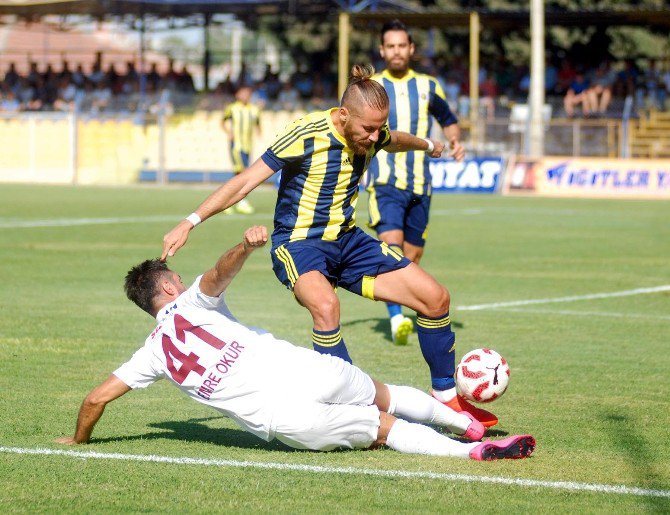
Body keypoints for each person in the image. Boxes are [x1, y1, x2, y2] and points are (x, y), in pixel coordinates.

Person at [162, 64, 498, 428]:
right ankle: (351, 409)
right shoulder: (307, 132)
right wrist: (190, 220)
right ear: (342, 115)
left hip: (348, 240)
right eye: (367, 128)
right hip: (299, 244)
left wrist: (429, 144)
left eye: (378, 127)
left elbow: (394, 139)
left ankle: (446, 397)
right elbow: (245, 181)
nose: (373, 137)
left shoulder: (373, 131)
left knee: (435, 298)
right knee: (326, 307)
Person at [56, 226, 535, 460]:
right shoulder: (191, 302)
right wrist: (245, 247)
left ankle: (468, 454)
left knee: (383, 428)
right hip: (303, 371)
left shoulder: (151, 354)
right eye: (177, 278)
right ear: (167, 289)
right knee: (385, 394)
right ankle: (468, 427)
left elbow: (95, 399)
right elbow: (219, 274)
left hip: (285, 422)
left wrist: (77, 439)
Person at [368, 20, 465, 348]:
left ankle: (401, 307)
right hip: (385, 181)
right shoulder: (371, 87)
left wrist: (455, 141)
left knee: (413, 255)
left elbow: (448, 119)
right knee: (391, 249)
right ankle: (396, 318)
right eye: (390, 46)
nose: (396, 51)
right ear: (382, 51)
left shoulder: (427, 86)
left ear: (411, 49)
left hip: (421, 183)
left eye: (402, 46)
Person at [221, 85, 261, 215]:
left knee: (239, 174)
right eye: (242, 93)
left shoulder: (254, 110)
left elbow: (258, 123)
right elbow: (222, 121)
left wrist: (259, 131)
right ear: (238, 95)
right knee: (242, 173)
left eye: (247, 93)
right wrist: (229, 132)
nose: (245, 96)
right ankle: (240, 202)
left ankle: (226, 202)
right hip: (236, 146)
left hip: (248, 146)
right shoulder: (232, 108)